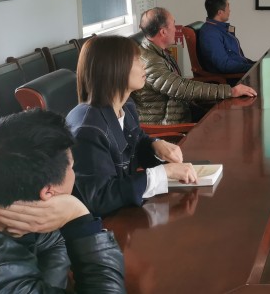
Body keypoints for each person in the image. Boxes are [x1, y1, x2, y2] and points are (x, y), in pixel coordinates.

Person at [0, 109, 126, 292]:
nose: (74, 173)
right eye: (72, 167)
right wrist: (79, 217)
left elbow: (53, 241)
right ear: (48, 192)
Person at [67, 35, 198, 217]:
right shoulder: (88, 129)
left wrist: (155, 144)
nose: (143, 65)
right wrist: (163, 172)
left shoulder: (126, 107)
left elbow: (136, 142)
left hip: (125, 210)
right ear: (114, 68)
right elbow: (100, 198)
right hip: (103, 223)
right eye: (136, 60)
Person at [132, 7, 256, 124]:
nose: (176, 29)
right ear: (163, 32)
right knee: (231, 120)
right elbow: (181, 88)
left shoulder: (156, 51)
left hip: (180, 111)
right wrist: (230, 91)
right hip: (170, 123)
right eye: (173, 25)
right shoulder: (150, 61)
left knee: (231, 114)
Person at [198, 0, 255, 78]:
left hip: (239, 70)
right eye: (228, 7)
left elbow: (235, 56)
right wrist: (252, 68)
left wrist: (255, 64)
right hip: (231, 78)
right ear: (220, 12)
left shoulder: (219, 28)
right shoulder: (210, 34)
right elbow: (224, 65)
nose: (229, 10)